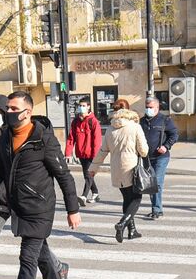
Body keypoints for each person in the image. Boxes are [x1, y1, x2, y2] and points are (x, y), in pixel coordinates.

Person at [0, 91, 80, 279]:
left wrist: (72, 209)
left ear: (27, 112)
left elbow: (64, 176)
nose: (8, 113)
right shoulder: (4, 139)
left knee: (27, 257)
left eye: (13, 109)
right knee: (41, 251)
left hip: (40, 206)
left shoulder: (43, 139)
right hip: (18, 205)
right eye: (8, 109)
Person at [91, 96, 149, 241]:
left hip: (116, 168)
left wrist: (94, 167)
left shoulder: (110, 128)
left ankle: (132, 231)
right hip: (131, 167)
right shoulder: (135, 126)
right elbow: (143, 151)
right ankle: (122, 223)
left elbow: (103, 150)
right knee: (136, 198)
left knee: (126, 199)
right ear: (128, 109)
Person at [138, 94, 178, 219]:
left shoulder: (165, 120)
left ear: (157, 107)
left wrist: (166, 146)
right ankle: (155, 207)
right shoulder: (142, 121)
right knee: (150, 183)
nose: (148, 109)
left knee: (157, 182)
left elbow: (174, 134)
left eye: (150, 107)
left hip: (161, 157)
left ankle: (157, 209)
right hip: (147, 157)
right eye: (146, 107)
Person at [65, 99, 103, 205]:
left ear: (88, 107)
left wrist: (96, 157)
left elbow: (97, 140)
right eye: (80, 105)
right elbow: (71, 138)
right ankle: (95, 193)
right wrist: (68, 153)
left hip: (91, 154)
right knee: (87, 174)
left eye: (83, 105)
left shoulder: (93, 121)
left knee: (88, 175)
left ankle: (84, 196)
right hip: (81, 154)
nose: (81, 107)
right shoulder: (76, 121)